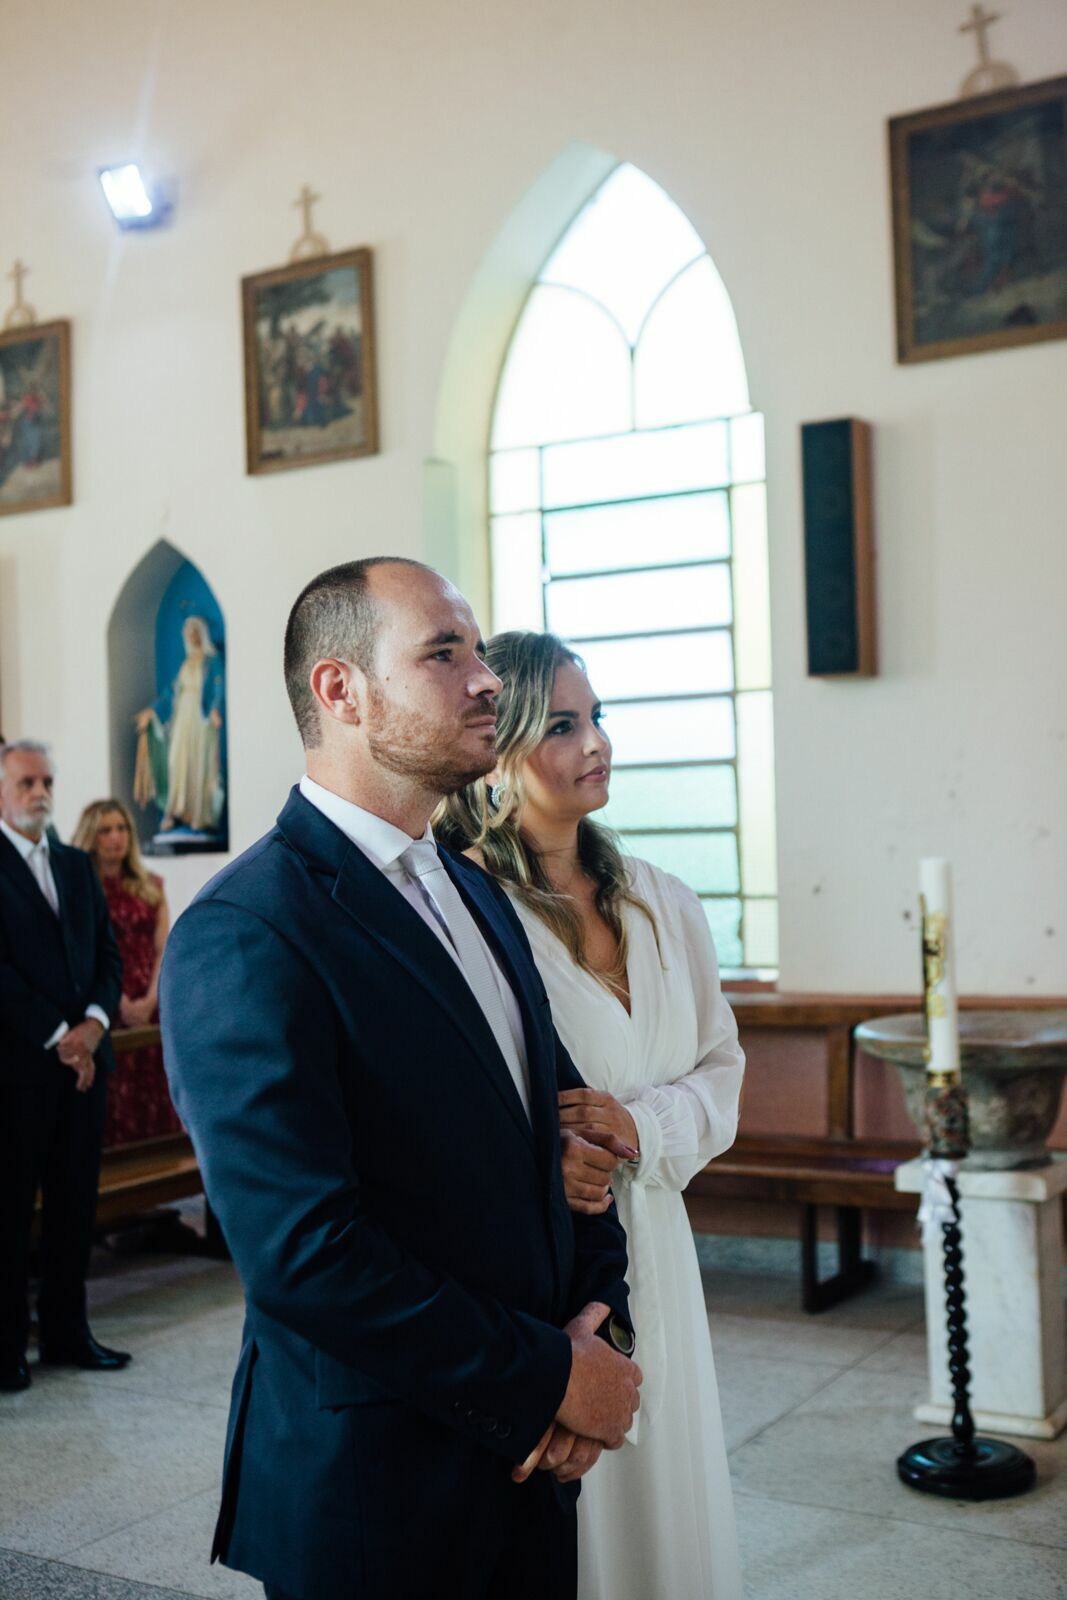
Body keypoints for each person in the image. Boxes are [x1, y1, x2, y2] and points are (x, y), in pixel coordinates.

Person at [159, 558, 643, 1600]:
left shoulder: (470, 888)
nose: (484, 681)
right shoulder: (246, 931)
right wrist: (548, 1381)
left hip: (523, 1468)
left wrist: (600, 1328)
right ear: (340, 691)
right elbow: (305, 1254)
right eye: (443, 652)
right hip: (381, 1485)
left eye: (477, 649)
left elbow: (566, 1130)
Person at [439, 631, 746, 1600]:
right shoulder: (475, 909)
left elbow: (719, 1066)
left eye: (597, 717)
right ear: (502, 749)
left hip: (657, 1224)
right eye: (562, 725)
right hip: (553, 1254)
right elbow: (456, 1099)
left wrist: (642, 1125)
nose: (594, 742)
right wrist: (551, 1152)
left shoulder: (663, 902)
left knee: (670, 1486)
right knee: (585, 1510)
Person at [0, 740, 129, 1392]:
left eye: (46, 781)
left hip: (83, 1066)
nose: (40, 793)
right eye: (26, 782)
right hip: (19, 1068)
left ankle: (67, 1333)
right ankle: (5, 1349)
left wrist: (93, 1026)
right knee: (12, 1207)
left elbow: (108, 959)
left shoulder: (77, 867)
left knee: (75, 1206)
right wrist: (58, 1035)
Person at [72, 799, 180, 1146]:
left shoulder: (151, 884)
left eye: (121, 829)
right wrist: (118, 1001)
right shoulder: (80, 887)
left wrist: (150, 998)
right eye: (105, 830)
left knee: (151, 1086)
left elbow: (163, 946)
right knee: (115, 1094)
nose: (115, 837)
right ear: (91, 836)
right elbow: (85, 952)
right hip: (104, 1000)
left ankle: (154, 1180)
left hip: (149, 996)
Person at [134, 615, 224, 836]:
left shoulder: (211, 660)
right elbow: (171, 692)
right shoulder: (187, 662)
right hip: (182, 716)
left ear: (201, 635)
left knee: (197, 762)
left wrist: (214, 708)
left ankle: (198, 815)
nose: (191, 638)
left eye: (195, 633)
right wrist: (153, 710)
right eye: (188, 634)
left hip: (200, 719)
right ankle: (174, 811)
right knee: (177, 760)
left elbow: (219, 687)